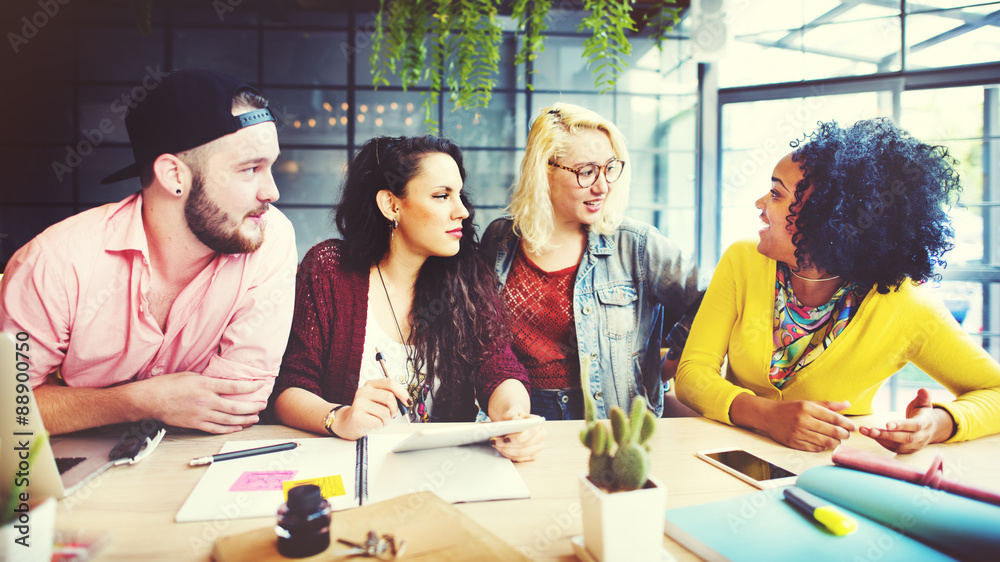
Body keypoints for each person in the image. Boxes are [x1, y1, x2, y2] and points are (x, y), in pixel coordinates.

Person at [676, 118, 1000, 453]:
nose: (761, 204)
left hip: (829, 471)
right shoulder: (742, 261)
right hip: (725, 460)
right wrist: (766, 414)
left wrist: (937, 425)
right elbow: (692, 373)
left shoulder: (904, 304)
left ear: (826, 220)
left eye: (776, 194)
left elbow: (996, 392)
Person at [0, 68, 296, 435]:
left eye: (270, 166)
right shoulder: (54, 263)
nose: (272, 192)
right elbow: (8, 410)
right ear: (174, 176)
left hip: (202, 463)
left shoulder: (269, 236)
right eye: (250, 169)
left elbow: (237, 404)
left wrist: (75, 404)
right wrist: (139, 401)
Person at [269, 135, 543, 462]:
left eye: (459, 194)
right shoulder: (328, 270)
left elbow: (498, 367)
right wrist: (339, 417)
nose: (462, 211)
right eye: (442, 196)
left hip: (447, 470)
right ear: (391, 205)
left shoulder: (466, 274)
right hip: (354, 468)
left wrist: (513, 417)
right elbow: (290, 388)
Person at [480, 103, 703, 420]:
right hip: (521, 414)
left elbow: (711, 301)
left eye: (610, 168)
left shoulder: (636, 244)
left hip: (608, 421)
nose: (603, 186)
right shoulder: (500, 240)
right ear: (544, 170)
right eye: (586, 172)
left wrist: (662, 370)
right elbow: (482, 339)